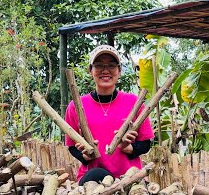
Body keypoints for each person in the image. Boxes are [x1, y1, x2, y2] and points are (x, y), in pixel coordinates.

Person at [64, 44, 154, 185]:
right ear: (91, 71)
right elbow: (71, 146)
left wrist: (129, 148)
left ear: (119, 71)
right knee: (97, 174)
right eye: (99, 65)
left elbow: (146, 143)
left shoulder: (134, 103)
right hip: (92, 180)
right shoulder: (76, 106)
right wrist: (85, 156)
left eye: (111, 66)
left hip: (129, 178)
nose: (105, 71)